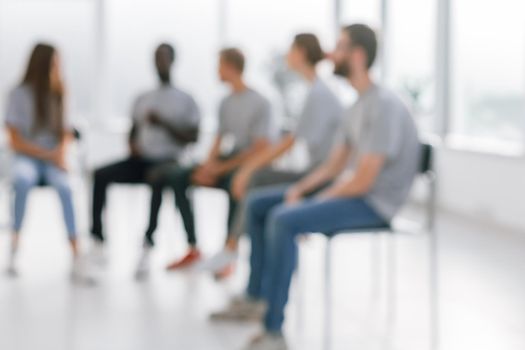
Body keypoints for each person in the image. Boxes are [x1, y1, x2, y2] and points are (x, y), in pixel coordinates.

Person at [217, 24, 421, 350]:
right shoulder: (357, 105)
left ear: (357, 55)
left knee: (284, 218)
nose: (330, 53)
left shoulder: (383, 104)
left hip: (375, 204)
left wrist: (313, 203)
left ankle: (273, 331)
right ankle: (255, 297)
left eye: (339, 47)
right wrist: (299, 191)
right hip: (355, 193)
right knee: (258, 204)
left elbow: (364, 179)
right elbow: (334, 164)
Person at [202, 33, 344, 278]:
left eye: (290, 49)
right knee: (256, 183)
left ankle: (231, 249)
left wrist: (247, 169)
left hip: (321, 176)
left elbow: (289, 142)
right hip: (314, 170)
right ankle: (236, 255)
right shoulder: (314, 91)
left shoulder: (319, 93)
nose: (286, 55)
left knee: (255, 182)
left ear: (301, 52)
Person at [89, 43, 200, 274]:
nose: (159, 62)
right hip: (141, 159)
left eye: (163, 58)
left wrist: (164, 123)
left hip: (169, 161)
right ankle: (97, 240)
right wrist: (132, 144)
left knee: (157, 178)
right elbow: (133, 130)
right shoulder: (143, 98)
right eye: (155, 58)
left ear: (172, 60)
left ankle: (148, 243)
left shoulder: (185, 99)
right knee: (100, 174)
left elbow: (192, 137)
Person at [162, 48, 274, 271]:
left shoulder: (261, 103)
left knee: (237, 184)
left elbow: (258, 149)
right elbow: (219, 139)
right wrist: (208, 166)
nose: (217, 71)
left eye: (219, 66)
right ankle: (193, 247)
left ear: (231, 67)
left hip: (247, 163)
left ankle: (228, 253)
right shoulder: (225, 102)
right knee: (178, 176)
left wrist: (221, 168)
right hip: (228, 158)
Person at [4, 43, 91, 283]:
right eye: (54, 63)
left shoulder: (60, 91)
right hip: (28, 156)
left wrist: (60, 156)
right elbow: (14, 140)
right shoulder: (18, 93)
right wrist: (47, 154)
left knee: (66, 187)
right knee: (21, 181)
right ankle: (14, 246)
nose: (57, 68)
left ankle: (76, 253)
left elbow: (66, 132)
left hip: (54, 158)